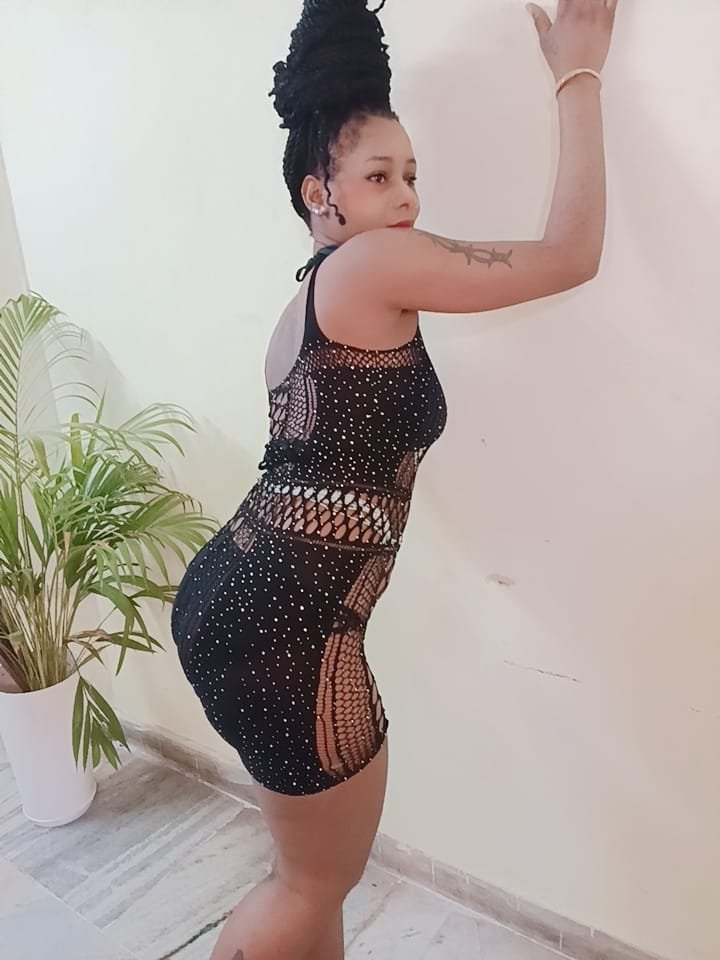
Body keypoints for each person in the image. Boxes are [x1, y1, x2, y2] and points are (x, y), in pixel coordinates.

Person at [169, 1, 619, 957]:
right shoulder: (373, 264)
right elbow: (573, 255)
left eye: (412, 175)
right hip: (290, 627)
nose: (407, 197)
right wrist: (579, 74)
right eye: (379, 177)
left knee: (311, 877)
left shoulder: (307, 304)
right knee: (309, 884)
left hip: (236, 597)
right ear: (318, 193)